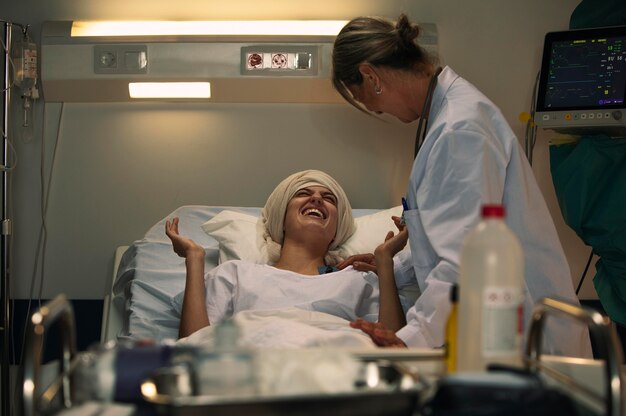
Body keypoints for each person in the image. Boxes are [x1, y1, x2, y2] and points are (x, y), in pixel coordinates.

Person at [332, 15, 592, 357]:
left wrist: (409, 339)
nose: (376, 110)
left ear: (371, 76)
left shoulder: (459, 130)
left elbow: (465, 258)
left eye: (365, 100)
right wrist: (397, 266)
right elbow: (450, 235)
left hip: (525, 339)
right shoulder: (450, 117)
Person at [165, 169, 408, 339]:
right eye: (303, 193)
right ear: (281, 220)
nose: (316, 199)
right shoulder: (236, 274)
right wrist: (194, 259)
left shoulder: (360, 280)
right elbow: (194, 348)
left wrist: (385, 264)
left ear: (336, 231)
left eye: (328, 198)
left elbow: (395, 351)